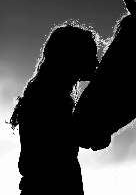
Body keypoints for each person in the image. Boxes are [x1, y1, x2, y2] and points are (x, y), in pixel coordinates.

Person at [8, 23, 99, 194]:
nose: (96, 62)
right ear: (72, 56)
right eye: (90, 55)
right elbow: (66, 143)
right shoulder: (49, 98)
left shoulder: (45, 94)